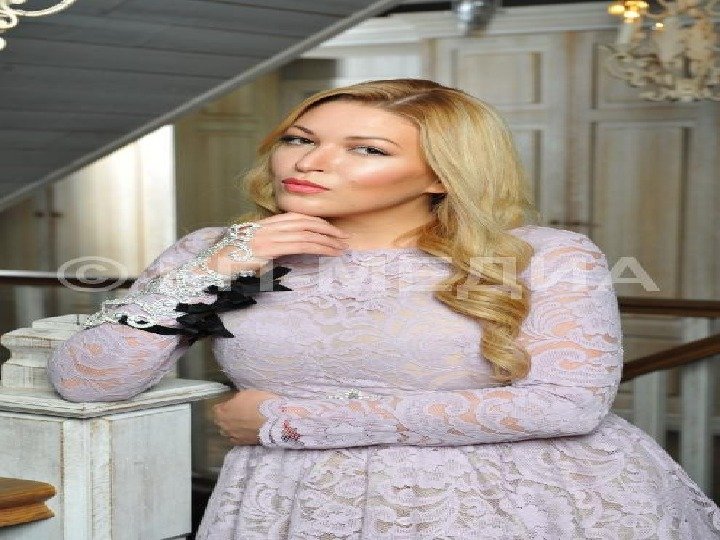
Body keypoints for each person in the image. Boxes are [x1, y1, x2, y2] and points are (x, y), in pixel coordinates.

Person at [47, 78, 720, 539]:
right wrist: (216, 270)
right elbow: (85, 381)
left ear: (441, 175)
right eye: (299, 138)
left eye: (366, 150)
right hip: (295, 504)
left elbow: (567, 406)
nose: (310, 163)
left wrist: (289, 421)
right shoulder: (216, 250)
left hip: (517, 503)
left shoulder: (545, 255)